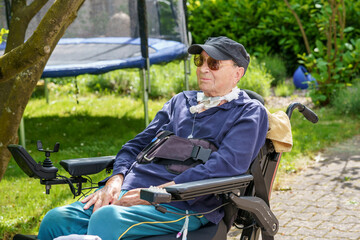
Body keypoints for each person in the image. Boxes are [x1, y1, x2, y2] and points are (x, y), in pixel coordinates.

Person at [38, 36, 268, 240]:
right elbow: (135, 145)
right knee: (56, 220)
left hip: (183, 204)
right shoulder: (181, 102)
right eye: (200, 61)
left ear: (238, 73)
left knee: (107, 218)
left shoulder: (248, 112)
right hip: (129, 191)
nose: (203, 68)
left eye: (214, 63)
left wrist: (158, 194)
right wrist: (115, 180)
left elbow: (227, 166)